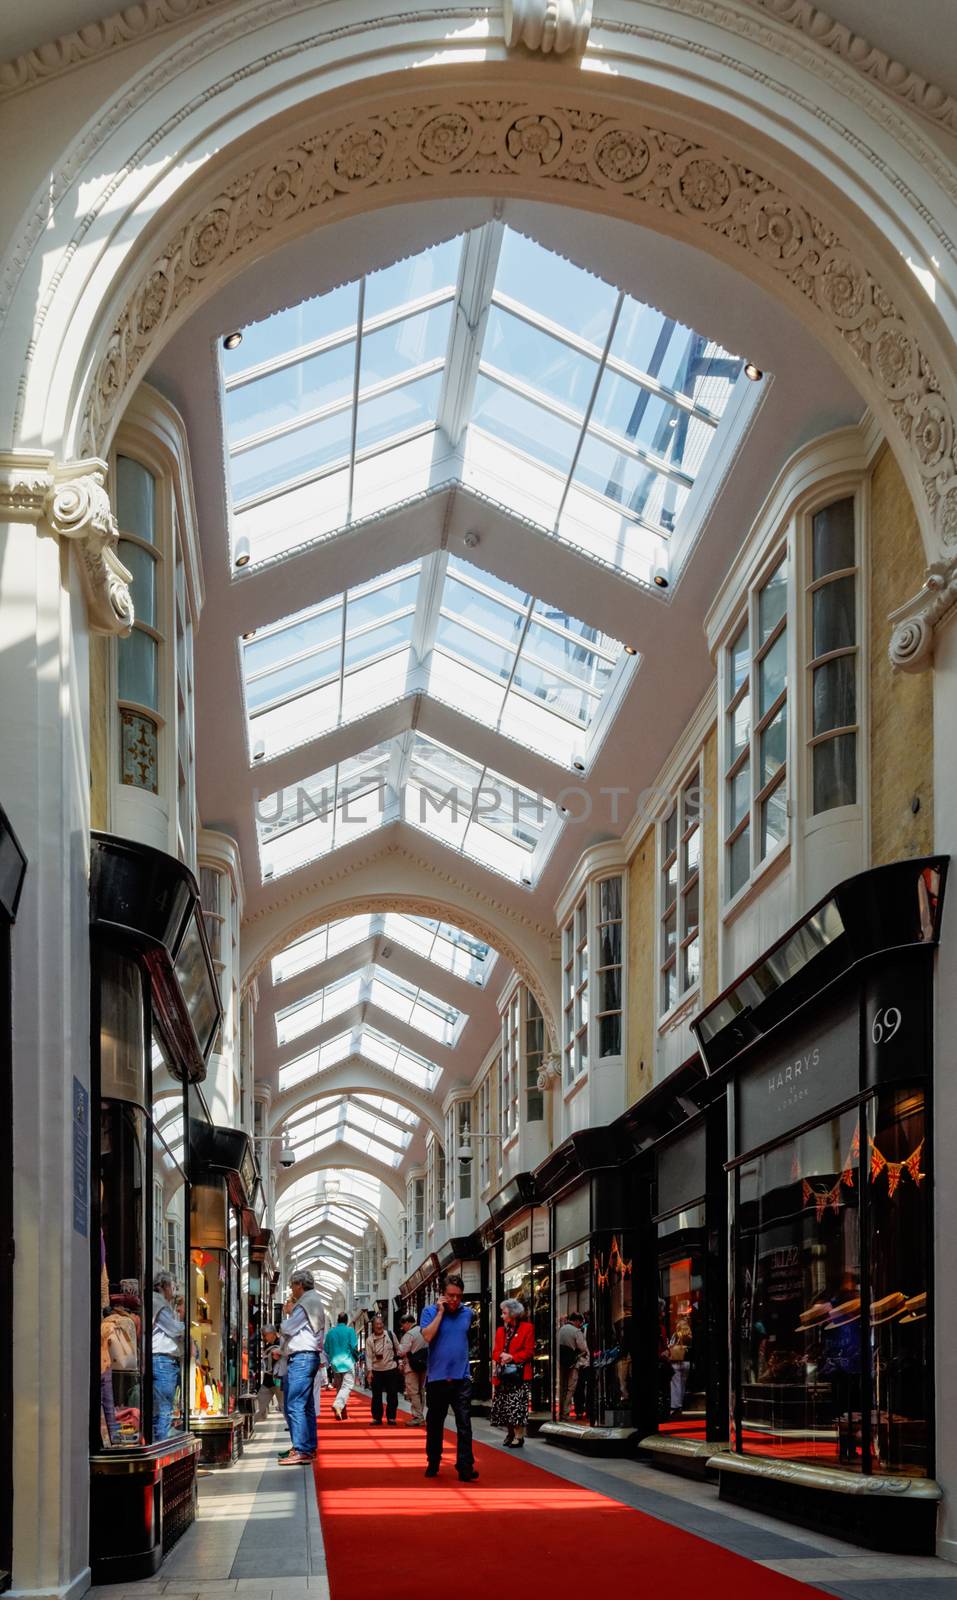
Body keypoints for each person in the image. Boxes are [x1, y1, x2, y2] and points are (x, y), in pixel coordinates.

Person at [421, 1273, 478, 1482]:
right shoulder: (429, 1312)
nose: (454, 1300)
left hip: (461, 1378)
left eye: (458, 1296)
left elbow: (467, 1340)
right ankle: (433, 1461)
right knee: (435, 1423)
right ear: (442, 1295)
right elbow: (427, 1336)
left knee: (464, 1423)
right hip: (436, 1378)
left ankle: (465, 1466)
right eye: (450, 1295)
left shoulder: (468, 1314)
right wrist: (440, 1313)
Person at [278, 1270, 325, 1465]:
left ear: (300, 1285)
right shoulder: (314, 1300)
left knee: (295, 1403)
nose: (291, 1289)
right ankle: (308, 1446)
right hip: (309, 1357)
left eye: (292, 1285)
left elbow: (288, 1328)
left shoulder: (305, 1303)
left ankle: (302, 1449)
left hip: (302, 1358)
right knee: (306, 1406)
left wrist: (283, 1323)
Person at [491, 1297, 534, 1448]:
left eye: (504, 1313)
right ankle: (510, 1432)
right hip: (503, 1373)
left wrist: (512, 1357)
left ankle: (519, 1436)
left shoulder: (527, 1328)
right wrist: (501, 1356)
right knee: (504, 1405)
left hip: (519, 1374)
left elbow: (529, 1352)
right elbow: (495, 1351)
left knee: (517, 1405)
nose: (502, 1316)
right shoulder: (501, 1330)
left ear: (513, 1314)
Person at [151, 1271, 184, 1441]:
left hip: (160, 1360)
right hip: (162, 1360)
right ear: (163, 1286)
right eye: (172, 1286)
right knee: (164, 1406)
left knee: (160, 1406)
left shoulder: (159, 1303)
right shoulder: (158, 1303)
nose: (174, 1290)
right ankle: (162, 1442)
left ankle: (159, 1439)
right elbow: (174, 1329)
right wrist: (184, 1325)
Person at [365, 1311, 401, 1425]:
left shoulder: (390, 1335)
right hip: (377, 1371)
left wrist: (400, 1362)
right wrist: (369, 1372)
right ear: (373, 1326)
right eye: (377, 1325)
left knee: (392, 1394)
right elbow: (368, 1357)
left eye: (381, 1324)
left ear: (383, 1324)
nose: (379, 1326)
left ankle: (391, 1417)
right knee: (376, 1396)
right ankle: (377, 1417)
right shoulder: (369, 1340)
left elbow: (398, 1349)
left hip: (391, 1369)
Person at [325, 1312, 359, 1421]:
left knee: (340, 1388)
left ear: (337, 1320)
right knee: (348, 1385)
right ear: (346, 1320)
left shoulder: (331, 1332)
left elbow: (326, 1348)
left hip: (335, 1364)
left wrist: (333, 1355)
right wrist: (355, 1356)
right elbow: (354, 1346)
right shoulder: (350, 1331)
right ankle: (338, 1405)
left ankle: (342, 1414)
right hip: (347, 1362)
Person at [397, 1311, 428, 1425]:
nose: (402, 1327)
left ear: (408, 1323)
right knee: (421, 1390)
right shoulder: (423, 1330)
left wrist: (398, 1347)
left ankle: (417, 1417)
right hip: (424, 1364)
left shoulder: (409, 1334)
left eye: (403, 1325)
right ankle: (421, 1415)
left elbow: (401, 1351)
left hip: (412, 1366)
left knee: (413, 1391)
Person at [558, 1311, 589, 1420]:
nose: (580, 1325)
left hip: (560, 1362)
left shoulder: (560, 1330)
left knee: (561, 1387)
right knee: (570, 1388)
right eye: (580, 1322)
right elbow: (583, 1348)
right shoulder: (576, 1331)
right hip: (572, 1363)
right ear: (576, 1321)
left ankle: (560, 1412)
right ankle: (565, 1412)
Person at [256, 1328, 281, 1419]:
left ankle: (294, 1429)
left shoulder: (281, 1343)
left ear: (272, 1334)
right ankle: (249, 1425)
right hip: (268, 1380)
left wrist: (278, 1355)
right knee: (259, 1403)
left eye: (265, 1335)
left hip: (278, 1380)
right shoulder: (268, 1346)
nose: (264, 1337)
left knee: (285, 1406)